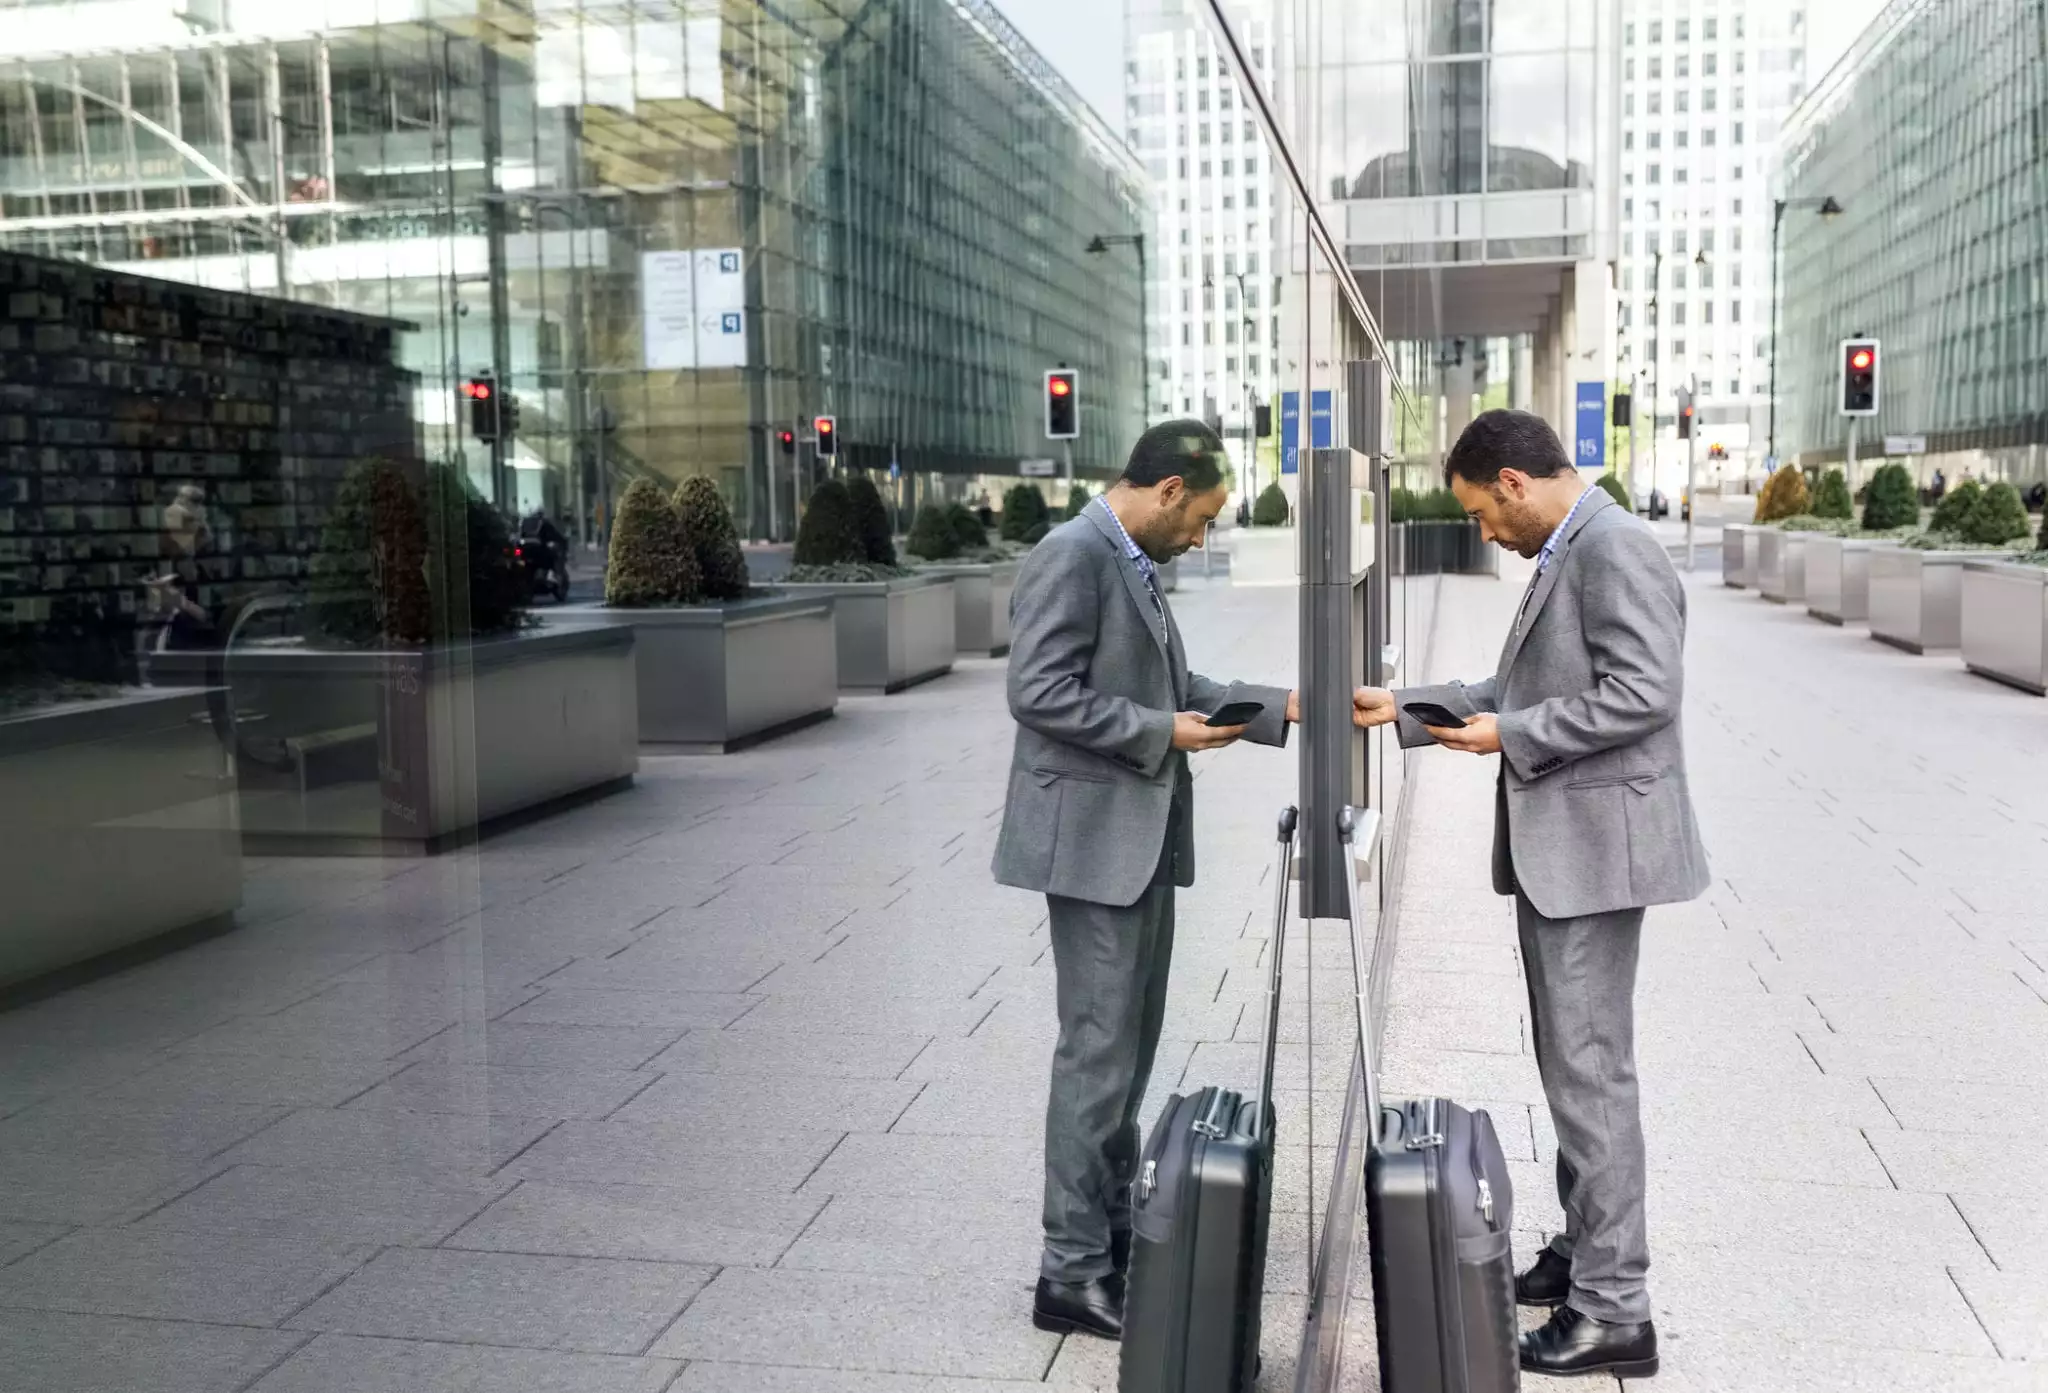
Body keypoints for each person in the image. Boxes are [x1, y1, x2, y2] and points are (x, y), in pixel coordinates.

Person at [994, 420, 1373, 1341]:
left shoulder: (1128, 558)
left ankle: (1112, 1235)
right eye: (1200, 520)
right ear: (1167, 492)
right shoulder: (1072, 554)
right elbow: (1036, 692)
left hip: (1133, 840)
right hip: (1091, 844)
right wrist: (1160, 732)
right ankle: (1070, 1270)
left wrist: (1279, 706)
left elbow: (1172, 678)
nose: (1201, 538)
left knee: (1123, 1053)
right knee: (1097, 1055)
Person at [1353, 409, 1707, 1380]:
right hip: (1574, 850)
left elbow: (1644, 693)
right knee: (1571, 1069)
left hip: (1593, 853)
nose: (1481, 533)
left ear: (1511, 482)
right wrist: (1413, 707)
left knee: (1589, 1074)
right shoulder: (1570, 545)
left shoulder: (1613, 546)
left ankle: (1613, 1307)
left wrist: (1509, 736)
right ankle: (1584, 1250)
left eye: (1477, 513)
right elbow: (1510, 684)